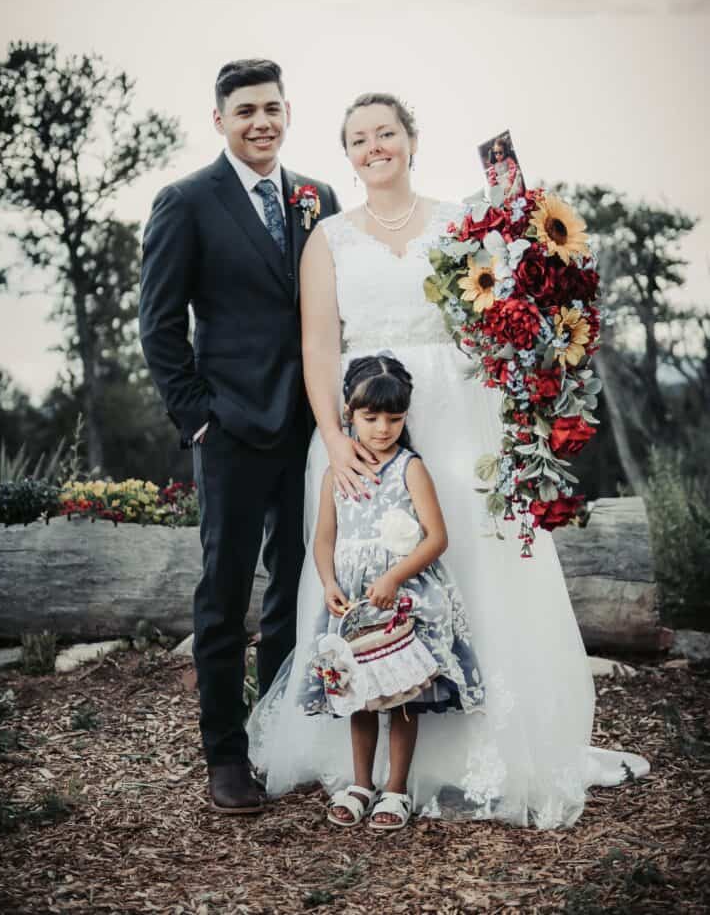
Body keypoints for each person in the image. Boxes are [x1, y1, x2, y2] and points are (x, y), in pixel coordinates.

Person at [248, 92, 649, 828]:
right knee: (368, 569)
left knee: (476, 559)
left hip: (461, 416)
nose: (376, 147)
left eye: (387, 133)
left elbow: (506, 309)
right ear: (348, 154)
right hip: (363, 424)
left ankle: (491, 744)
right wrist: (335, 439)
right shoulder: (328, 239)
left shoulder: (460, 223)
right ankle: (366, 759)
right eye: (360, 138)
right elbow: (318, 348)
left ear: (411, 139)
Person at [139, 59, 340, 815]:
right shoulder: (187, 202)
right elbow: (158, 328)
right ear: (219, 119)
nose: (261, 122)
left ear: (289, 112)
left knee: (298, 589)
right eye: (245, 110)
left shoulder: (319, 197)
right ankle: (224, 756)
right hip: (228, 427)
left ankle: (280, 737)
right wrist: (197, 416)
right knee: (224, 597)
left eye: (272, 109)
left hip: (309, 427)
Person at [303, 354, 485, 830]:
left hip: (401, 599)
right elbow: (324, 538)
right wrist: (329, 583)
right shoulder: (335, 473)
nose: (383, 428)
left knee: (402, 693)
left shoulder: (410, 468)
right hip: (353, 603)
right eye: (371, 417)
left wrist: (393, 577)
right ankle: (361, 783)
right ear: (349, 413)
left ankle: (397, 788)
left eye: (394, 418)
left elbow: (437, 537)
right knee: (358, 692)